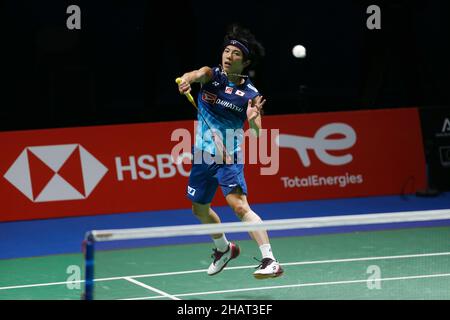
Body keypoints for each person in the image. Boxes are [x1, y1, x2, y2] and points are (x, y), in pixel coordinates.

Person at [176, 24, 283, 279]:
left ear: (244, 62)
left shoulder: (250, 94)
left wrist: (254, 118)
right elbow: (196, 73)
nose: (228, 56)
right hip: (203, 154)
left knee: (238, 205)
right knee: (199, 209)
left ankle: (270, 259)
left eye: (235, 54)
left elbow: (257, 131)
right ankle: (224, 249)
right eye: (226, 51)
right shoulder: (212, 76)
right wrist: (187, 80)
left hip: (228, 156)